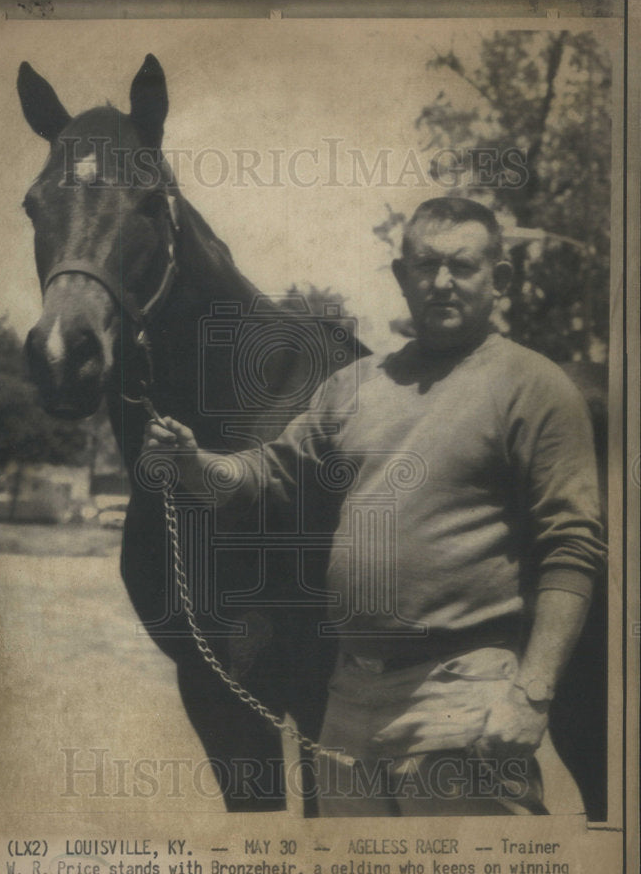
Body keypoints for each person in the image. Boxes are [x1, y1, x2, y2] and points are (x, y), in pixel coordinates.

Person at [141, 197, 605, 816]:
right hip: (349, 703)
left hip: (461, 693)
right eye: (425, 264)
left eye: (462, 266)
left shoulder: (536, 386)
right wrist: (196, 465)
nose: (441, 282)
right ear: (400, 276)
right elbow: (269, 473)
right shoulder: (354, 385)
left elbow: (571, 547)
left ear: (501, 279)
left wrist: (533, 693)